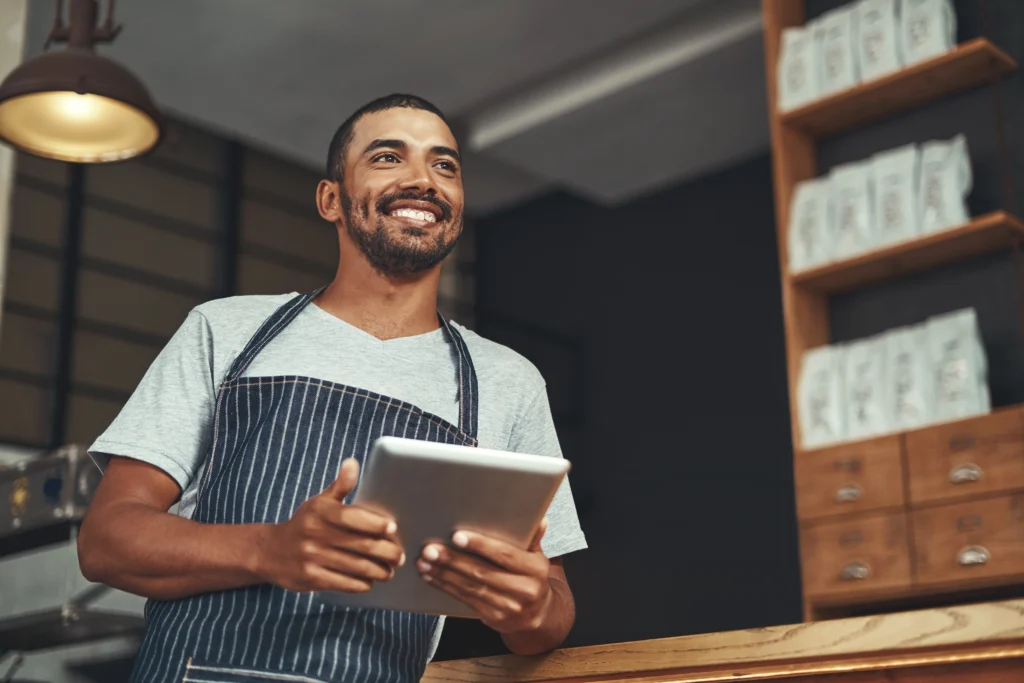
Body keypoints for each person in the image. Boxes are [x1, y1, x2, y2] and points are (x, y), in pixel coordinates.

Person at [77, 93, 587, 683]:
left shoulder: (508, 381)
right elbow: (106, 540)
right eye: (388, 158)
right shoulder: (226, 331)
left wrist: (528, 607)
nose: (423, 179)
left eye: (444, 165)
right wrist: (269, 550)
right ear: (330, 200)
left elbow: (551, 612)